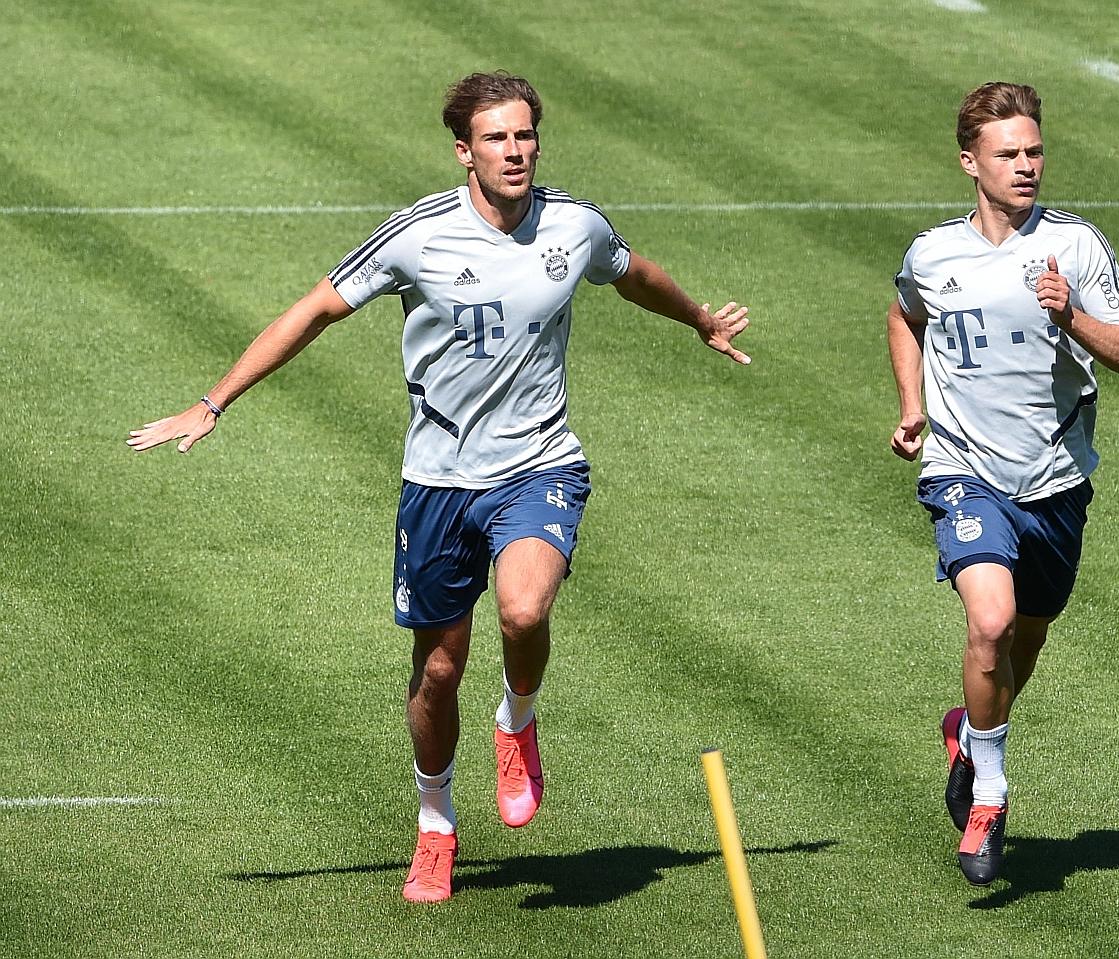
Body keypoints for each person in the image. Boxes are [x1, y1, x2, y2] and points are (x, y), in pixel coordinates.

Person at [128, 71, 751, 903]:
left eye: (525, 134)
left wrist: (699, 319)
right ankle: (435, 826)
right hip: (438, 482)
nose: (516, 150)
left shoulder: (574, 225)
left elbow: (632, 271)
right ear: (465, 151)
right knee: (437, 673)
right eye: (497, 138)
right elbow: (312, 310)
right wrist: (213, 402)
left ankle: (517, 723)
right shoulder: (416, 236)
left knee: (525, 608)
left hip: (540, 463)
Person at [886, 82, 1119, 886]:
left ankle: (971, 734)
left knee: (1023, 638)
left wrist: (1073, 316)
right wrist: (912, 405)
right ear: (971, 163)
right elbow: (905, 314)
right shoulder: (933, 253)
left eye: (1034, 151)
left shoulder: (1075, 247)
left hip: (1057, 481)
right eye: (1009, 154)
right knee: (991, 622)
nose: (1027, 165)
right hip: (965, 472)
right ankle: (990, 795)